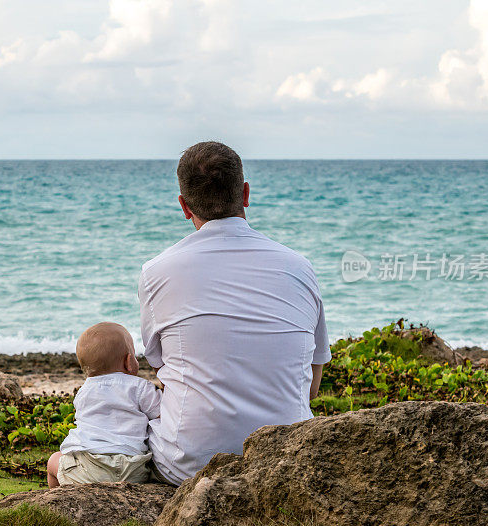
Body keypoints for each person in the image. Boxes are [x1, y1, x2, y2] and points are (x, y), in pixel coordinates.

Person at [138, 141, 332, 486]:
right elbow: (312, 386)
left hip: (191, 465)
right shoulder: (299, 267)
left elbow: (160, 365)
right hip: (287, 454)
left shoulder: (157, 271)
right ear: (244, 193)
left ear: (184, 206)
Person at [46, 322, 162, 487]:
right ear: (129, 361)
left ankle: (55, 501)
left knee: (53, 461)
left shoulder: (84, 391)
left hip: (90, 468)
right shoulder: (141, 387)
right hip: (133, 469)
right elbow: (162, 414)